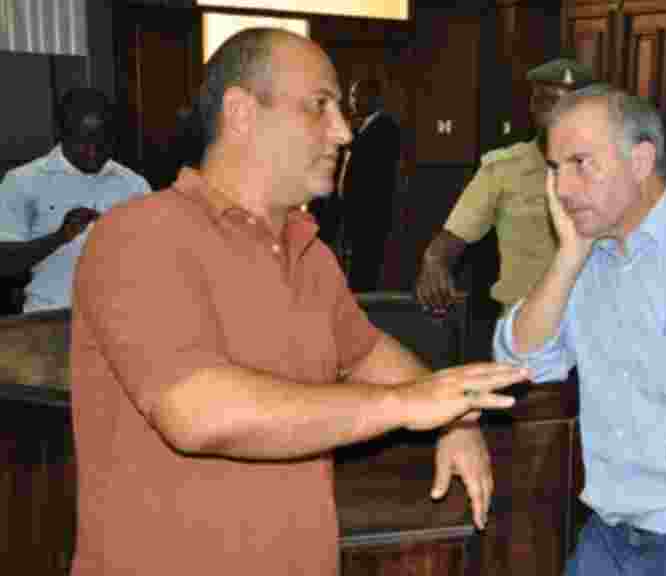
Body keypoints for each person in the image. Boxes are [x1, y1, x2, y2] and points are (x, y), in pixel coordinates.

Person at [69, 28, 527, 576]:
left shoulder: (306, 251)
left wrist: (457, 423)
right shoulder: (140, 235)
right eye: (320, 106)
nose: (342, 130)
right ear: (241, 113)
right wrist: (407, 404)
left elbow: (365, 353)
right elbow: (194, 411)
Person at [493, 84, 666, 575]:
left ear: (641, 161)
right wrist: (569, 256)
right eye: (554, 170)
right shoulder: (586, 260)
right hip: (608, 537)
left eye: (581, 164)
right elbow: (519, 363)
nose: (563, 189)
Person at [415, 58, 595, 315]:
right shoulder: (503, 170)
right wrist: (434, 261)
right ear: (532, 106)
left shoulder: (612, 171)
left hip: (594, 328)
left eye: (568, 103)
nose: (555, 113)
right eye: (545, 100)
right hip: (525, 330)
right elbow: (452, 237)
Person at [0, 87, 150, 313]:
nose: (93, 152)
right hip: (50, 319)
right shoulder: (22, 181)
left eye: (102, 143)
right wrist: (61, 237)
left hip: (121, 319)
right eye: (83, 142)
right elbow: (4, 263)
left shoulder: (134, 185)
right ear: (61, 133)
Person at [309, 77, 402, 289]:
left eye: (354, 95)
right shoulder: (361, 128)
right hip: (351, 208)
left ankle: (363, 305)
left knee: (366, 261)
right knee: (353, 258)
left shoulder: (385, 126)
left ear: (370, 97)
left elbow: (369, 156)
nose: (351, 101)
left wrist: (345, 134)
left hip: (371, 210)